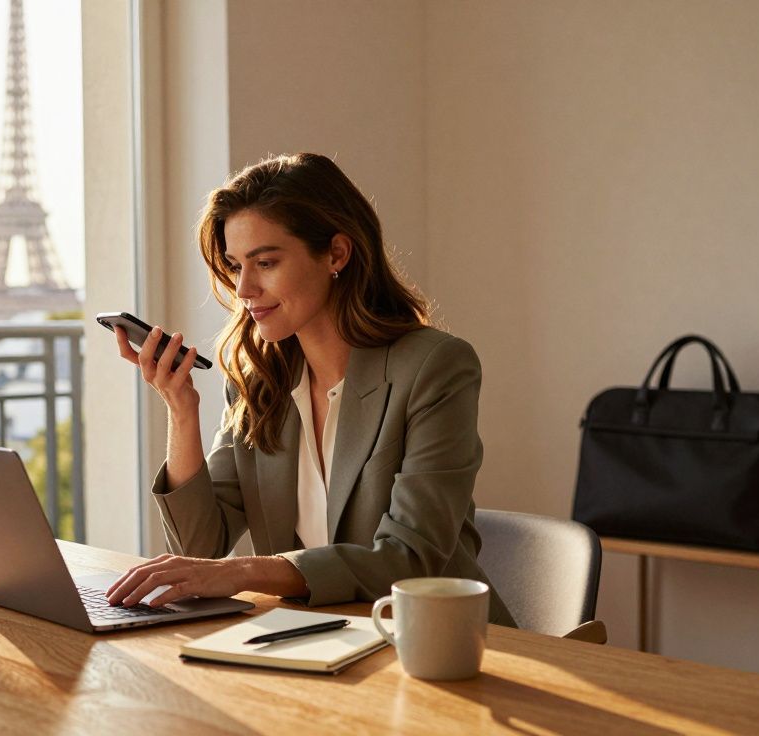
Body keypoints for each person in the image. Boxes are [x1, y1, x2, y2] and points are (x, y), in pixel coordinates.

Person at [104, 152, 516, 627]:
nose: (244, 289)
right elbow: (199, 550)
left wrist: (243, 571)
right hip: (317, 638)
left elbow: (410, 560)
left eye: (266, 262)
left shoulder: (434, 366)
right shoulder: (259, 383)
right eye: (237, 266)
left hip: (439, 643)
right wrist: (180, 409)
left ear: (336, 254)